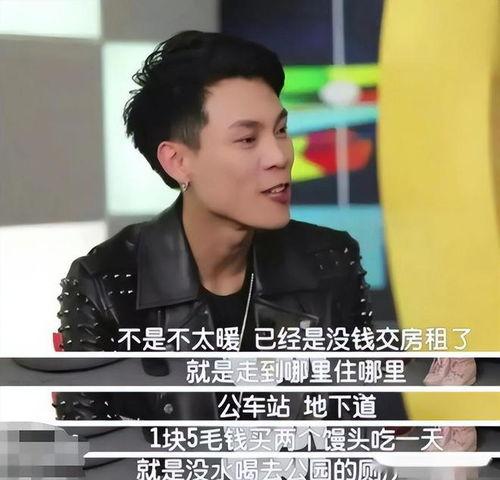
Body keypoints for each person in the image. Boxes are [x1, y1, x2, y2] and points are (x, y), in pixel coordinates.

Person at [53, 30, 372, 422]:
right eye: (247, 139)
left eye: (281, 130)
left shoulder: (331, 261)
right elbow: (87, 445)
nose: (279, 156)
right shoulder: (106, 285)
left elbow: (356, 425)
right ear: (178, 162)